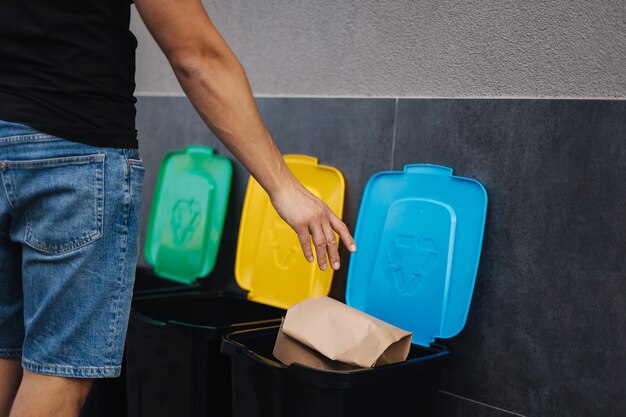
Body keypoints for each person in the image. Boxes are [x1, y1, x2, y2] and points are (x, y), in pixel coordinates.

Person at [0, 0, 356, 416]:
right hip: (73, 149)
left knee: (5, 349)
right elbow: (197, 56)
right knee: (59, 371)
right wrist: (283, 187)